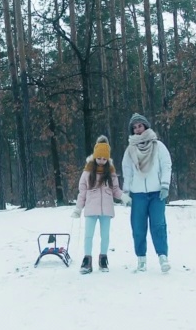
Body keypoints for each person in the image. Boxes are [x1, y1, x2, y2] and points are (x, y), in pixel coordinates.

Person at [121, 113, 172, 273]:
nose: (137, 129)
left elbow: (166, 164)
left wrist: (165, 185)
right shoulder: (130, 150)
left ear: (145, 126)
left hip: (157, 193)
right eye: (134, 127)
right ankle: (141, 259)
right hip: (138, 195)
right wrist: (126, 192)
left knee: (158, 225)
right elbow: (127, 171)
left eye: (140, 126)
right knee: (138, 227)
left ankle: (163, 257)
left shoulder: (158, 146)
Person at [71, 136, 128, 274]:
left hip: (106, 210)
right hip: (91, 209)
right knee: (88, 235)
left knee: (105, 236)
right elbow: (82, 193)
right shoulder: (87, 172)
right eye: (99, 158)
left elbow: (115, 190)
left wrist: (124, 197)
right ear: (95, 157)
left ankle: (103, 259)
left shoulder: (111, 172)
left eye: (104, 158)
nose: (101, 161)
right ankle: (87, 260)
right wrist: (78, 209)